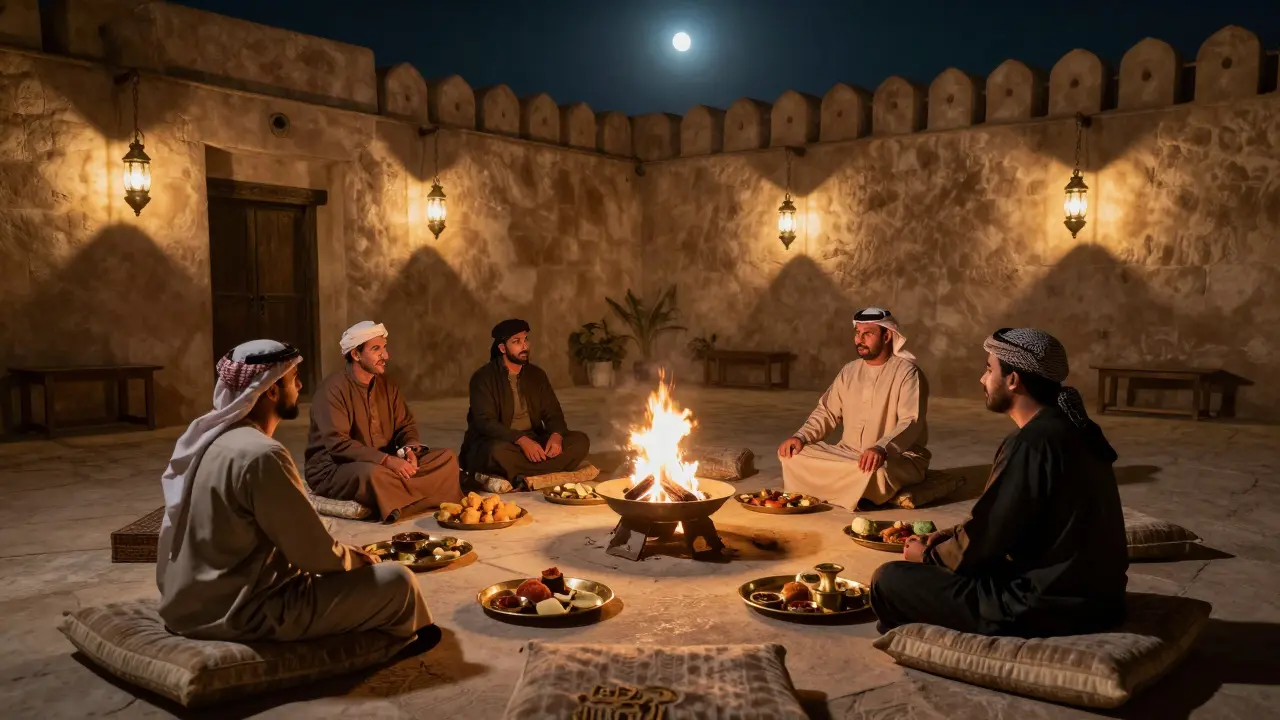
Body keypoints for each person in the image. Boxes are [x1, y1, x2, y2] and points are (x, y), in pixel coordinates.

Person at [156, 340, 432, 642]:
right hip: (241, 611)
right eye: (293, 379)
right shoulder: (262, 454)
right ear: (272, 390)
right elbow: (311, 553)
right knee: (397, 581)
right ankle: (402, 644)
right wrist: (358, 561)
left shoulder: (213, 441)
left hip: (192, 605)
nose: (300, 385)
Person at [870, 328, 1129, 638]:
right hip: (1099, 598)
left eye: (988, 369)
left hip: (1049, 604)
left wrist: (927, 555)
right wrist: (948, 536)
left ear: (1013, 379)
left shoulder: (1032, 443)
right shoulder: (1074, 429)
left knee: (889, 580)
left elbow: (987, 540)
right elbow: (1012, 521)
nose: (982, 379)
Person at [305, 321, 464, 524]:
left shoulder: (386, 384)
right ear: (356, 354)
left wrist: (409, 450)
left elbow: (405, 425)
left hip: (385, 462)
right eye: (376, 349)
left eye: (384, 347)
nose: (385, 355)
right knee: (372, 475)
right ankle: (420, 499)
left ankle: (400, 501)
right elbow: (339, 444)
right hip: (337, 468)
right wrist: (388, 461)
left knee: (447, 459)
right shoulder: (332, 390)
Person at [777, 307, 929, 510]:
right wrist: (801, 436)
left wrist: (881, 447)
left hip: (895, 457)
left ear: (887, 336)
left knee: (876, 472)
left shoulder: (907, 373)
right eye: (857, 333)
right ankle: (851, 488)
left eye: (867, 334)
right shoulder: (849, 370)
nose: (859, 340)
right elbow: (827, 412)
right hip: (847, 453)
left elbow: (911, 421)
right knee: (793, 455)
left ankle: (850, 486)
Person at [460, 318, 591, 492]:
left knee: (580, 441)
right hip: (500, 441)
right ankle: (546, 471)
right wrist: (521, 440)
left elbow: (553, 413)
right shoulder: (483, 378)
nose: (525, 346)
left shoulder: (536, 375)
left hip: (534, 439)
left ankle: (521, 475)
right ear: (502, 348)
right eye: (517, 342)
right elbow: (485, 422)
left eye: (525, 339)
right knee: (495, 453)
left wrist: (556, 436)